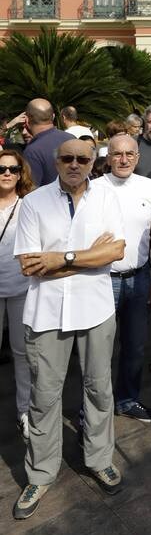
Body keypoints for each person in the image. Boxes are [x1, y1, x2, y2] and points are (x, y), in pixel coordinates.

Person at [12, 139, 126, 520]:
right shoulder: (33, 203)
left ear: (93, 161)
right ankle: (41, 473)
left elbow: (116, 252)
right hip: (46, 312)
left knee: (98, 387)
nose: (74, 164)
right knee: (44, 395)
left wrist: (60, 258)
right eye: (67, 158)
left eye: (82, 158)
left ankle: (99, 459)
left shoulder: (107, 198)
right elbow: (30, 266)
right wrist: (91, 257)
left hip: (95, 308)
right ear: (56, 162)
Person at [100, 134, 151, 423]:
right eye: (117, 154)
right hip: (102, 279)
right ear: (108, 158)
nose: (124, 159)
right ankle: (93, 410)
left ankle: (127, 400)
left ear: (137, 157)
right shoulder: (94, 189)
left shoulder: (149, 188)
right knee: (98, 350)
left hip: (139, 279)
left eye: (129, 154)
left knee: (136, 346)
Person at [0, 149, 34, 440]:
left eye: (13, 168)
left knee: (22, 353)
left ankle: (25, 411)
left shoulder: (29, 206)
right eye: (2, 169)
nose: (7, 173)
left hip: (22, 288)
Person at [23, 99, 72, 187]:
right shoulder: (71, 138)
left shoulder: (32, 151)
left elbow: (30, 191)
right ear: (53, 117)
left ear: (26, 120)